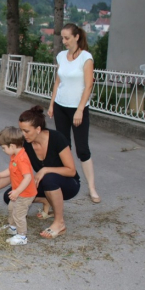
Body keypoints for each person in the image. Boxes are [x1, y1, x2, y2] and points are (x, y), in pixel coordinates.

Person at [0, 106, 80, 239]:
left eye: (26, 131)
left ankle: (59, 222)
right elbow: (14, 172)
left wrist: (45, 169)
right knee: (10, 196)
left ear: (38, 129)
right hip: (45, 184)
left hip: (68, 184)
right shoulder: (26, 144)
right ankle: (47, 200)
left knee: (49, 178)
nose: (22, 134)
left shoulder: (57, 138)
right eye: (21, 130)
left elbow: (71, 171)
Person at [49, 23, 101, 203]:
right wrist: (51, 104)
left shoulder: (86, 58)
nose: (63, 41)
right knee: (64, 148)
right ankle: (67, 183)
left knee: (82, 150)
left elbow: (88, 86)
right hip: (60, 106)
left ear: (76, 37)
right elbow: (58, 82)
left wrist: (80, 109)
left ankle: (92, 188)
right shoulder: (61, 56)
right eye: (62, 38)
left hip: (78, 108)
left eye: (67, 38)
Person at [0, 127, 37, 245]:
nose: (2, 150)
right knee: (11, 208)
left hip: (25, 193)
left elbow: (28, 177)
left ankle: (22, 236)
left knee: (19, 214)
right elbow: (10, 171)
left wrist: (17, 191)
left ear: (12, 146)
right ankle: (12, 228)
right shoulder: (15, 156)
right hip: (19, 192)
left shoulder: (22, 159)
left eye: (3, 148)